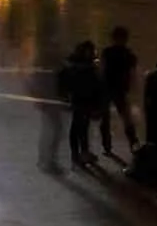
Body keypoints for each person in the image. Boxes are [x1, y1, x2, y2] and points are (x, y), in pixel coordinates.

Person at [60, 41, 104, 167]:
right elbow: (96, 84)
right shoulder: (82, 67)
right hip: (81, 99)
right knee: (79, 126)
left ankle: (80, 153)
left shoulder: (77, 65)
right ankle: (80, 153)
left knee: (81, 126)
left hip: (82, 99)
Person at [99, 26, 140, 155]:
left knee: (106, 119)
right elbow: (132, 74)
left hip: (109, 88)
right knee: (124, 118)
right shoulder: (128, 55)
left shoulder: (108, 52)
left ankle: (108, 145)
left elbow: (102, 70)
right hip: (118, 89)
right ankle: (133, 143)